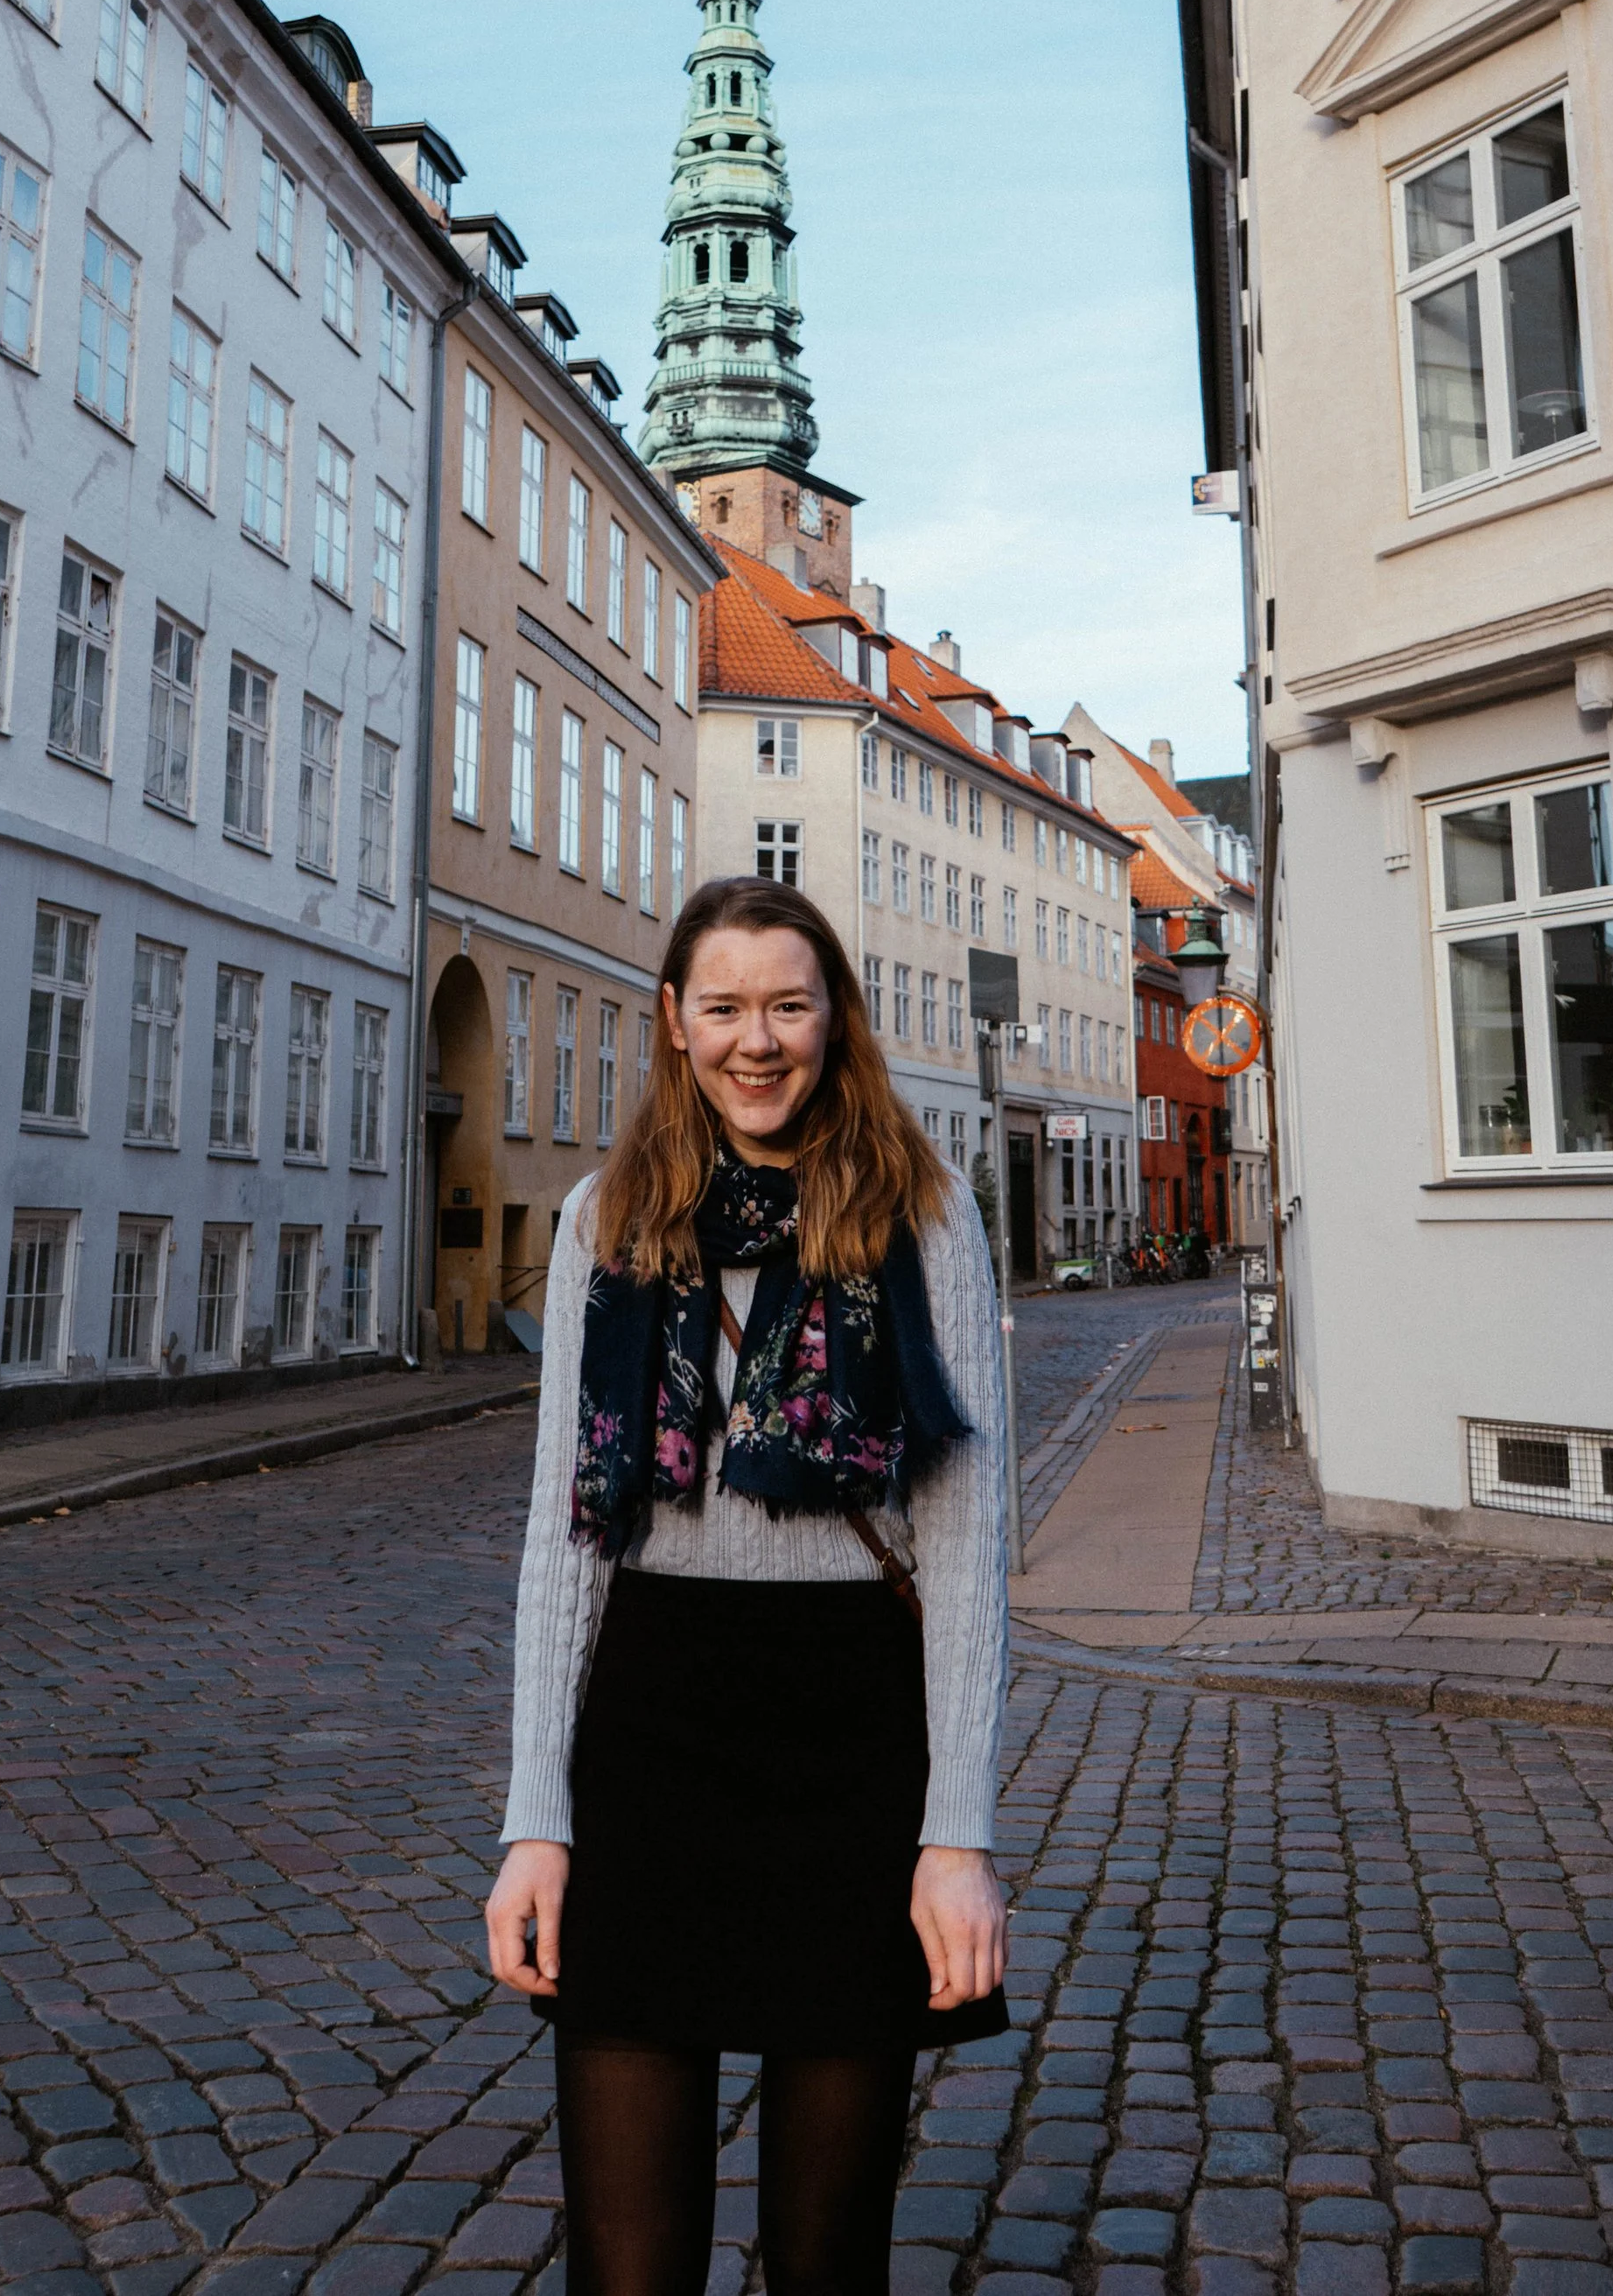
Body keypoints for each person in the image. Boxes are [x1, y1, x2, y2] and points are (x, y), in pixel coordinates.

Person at [487, 875, 1010, 2296]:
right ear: (674, 1021)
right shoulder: (607, 1220)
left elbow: (967, 1545)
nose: (756, 1040)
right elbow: (565, 1534)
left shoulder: (926, 1217)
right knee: (627, 2271)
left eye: (788, 1005)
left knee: (829, 2263)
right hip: (649, 1738)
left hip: (851, 1745)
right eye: (723, 1007)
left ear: (835, 1019)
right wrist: (538, 1820)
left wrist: (956, 1837)